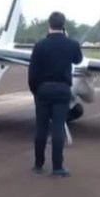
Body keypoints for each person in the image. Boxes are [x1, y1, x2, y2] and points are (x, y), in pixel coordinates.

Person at [28, 11, 83, 177]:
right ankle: (58, 167)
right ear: (63, 25)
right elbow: (78, 60)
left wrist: (36, 91)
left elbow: (32, 73)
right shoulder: (71, 44)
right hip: (62, 89)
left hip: (43, 89)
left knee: (41, 128)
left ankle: (38, 165)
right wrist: (68, 39)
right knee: (58, 127)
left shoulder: (39, 46)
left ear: (49, 25)